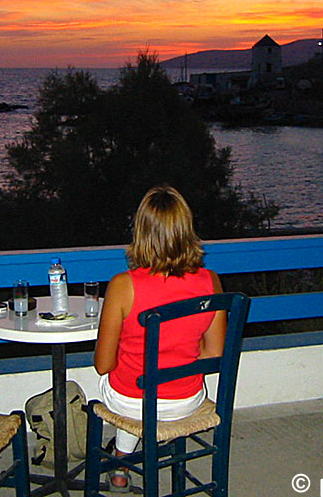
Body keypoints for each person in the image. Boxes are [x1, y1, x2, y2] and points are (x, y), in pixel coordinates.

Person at [94, 185, 226, 491]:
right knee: (143, 384)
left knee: (123, 382)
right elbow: (213, 354)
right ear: (186, 230)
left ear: (140, 232)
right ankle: (121, 459)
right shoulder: (211, 281)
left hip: (134, 400)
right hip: (185, 401)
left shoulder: (123, 285)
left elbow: (102, 365)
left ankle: (118, 464)